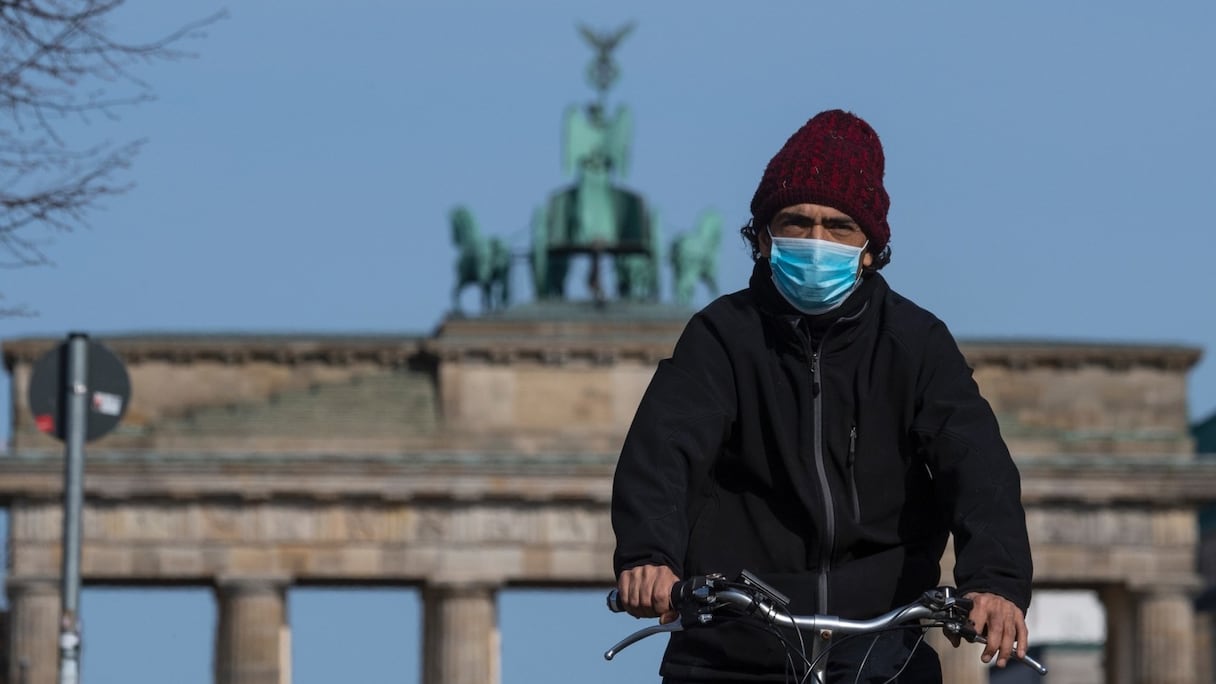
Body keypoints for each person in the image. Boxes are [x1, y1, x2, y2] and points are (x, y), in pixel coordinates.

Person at [611, 109, 1033, 683]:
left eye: (838, 227)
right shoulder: (721, 336)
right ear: (762, 237)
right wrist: (649, 556)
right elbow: (664, 452)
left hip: (879, 649)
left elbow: (978, 466)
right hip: (732, 650)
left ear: (869, 248)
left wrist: (995, 583)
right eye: (796, 222)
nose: (815, 241)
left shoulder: (916, 343)